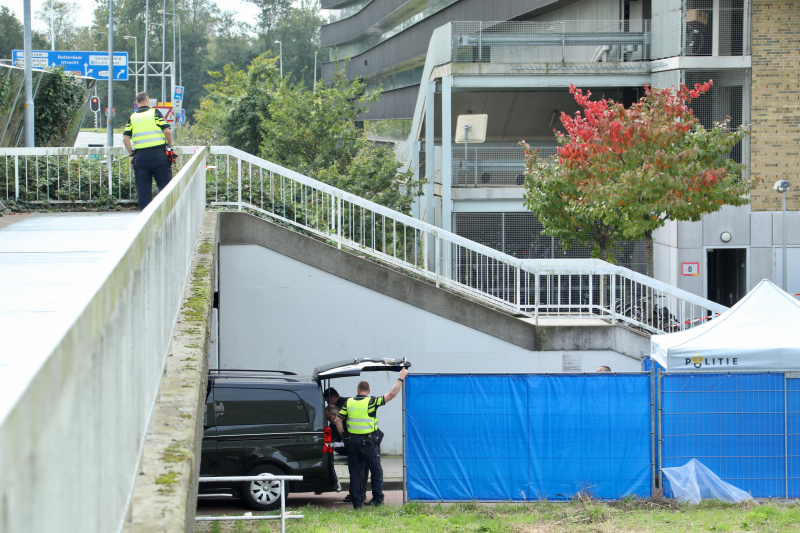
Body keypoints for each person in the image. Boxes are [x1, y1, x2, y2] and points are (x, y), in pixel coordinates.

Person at [335, 367, 409, 509]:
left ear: (357, 390)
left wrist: (344, 435)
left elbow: (337, 420)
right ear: (368, 391)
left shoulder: (349, 402)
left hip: (352, 443)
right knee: (376, 471)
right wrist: (401, 377)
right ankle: (377, 500)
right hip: (368, 443)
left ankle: (357, 504)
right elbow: (392, 394)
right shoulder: (371, 402)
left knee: (355, 473)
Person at [122, 92, 175, 210]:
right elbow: (167, 131)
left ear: (137, 103)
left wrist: (131, 155)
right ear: (147, 100)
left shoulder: (133, 117)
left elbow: (125, 138)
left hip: (141, 157)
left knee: (143, 189)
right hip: (159, 156)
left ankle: (146, 218)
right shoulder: (155, 113)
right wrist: (170, 142)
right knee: (165, 186)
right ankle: (163, 211)